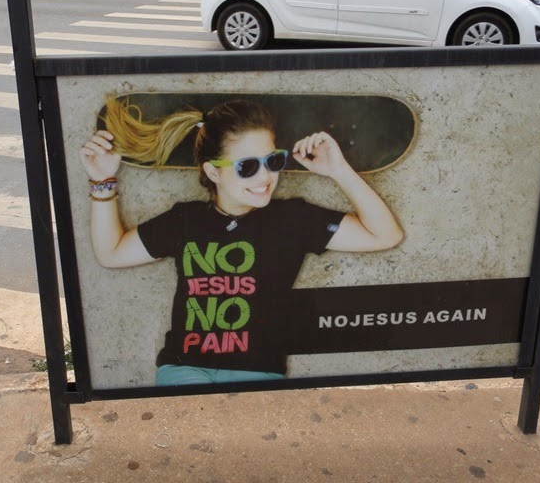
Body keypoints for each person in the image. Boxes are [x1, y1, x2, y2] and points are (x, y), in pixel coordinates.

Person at [80, 97, 403, 386]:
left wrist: (338, 170)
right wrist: (102, 180)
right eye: (247, 166)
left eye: (272, 161)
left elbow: (385, 235)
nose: (265, 177)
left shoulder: (293, 219)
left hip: (257, 371)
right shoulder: (185, 221)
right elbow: (111, 253)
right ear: (213, 172)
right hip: (185, 367)